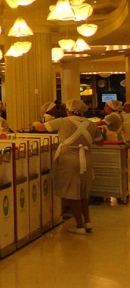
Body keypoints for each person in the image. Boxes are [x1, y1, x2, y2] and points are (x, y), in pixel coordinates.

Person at [34, 98, 101, 234]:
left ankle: (79, 226)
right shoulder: (91, 124)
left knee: (73, 194)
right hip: (86, 160)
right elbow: (100, 142)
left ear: (68, 110)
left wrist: (35, 123)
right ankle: (87, 222)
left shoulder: (62, 121)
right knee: (84, 192)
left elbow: (41, 127)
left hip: (69, 161)